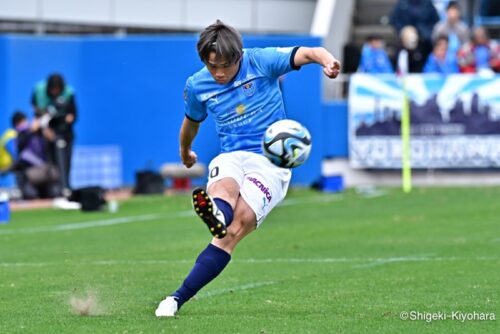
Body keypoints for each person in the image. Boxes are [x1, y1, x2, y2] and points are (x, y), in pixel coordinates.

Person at [155, 20, 340, 317]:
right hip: (232, 155)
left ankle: (176, 298)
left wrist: (327, 61)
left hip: (271, 163)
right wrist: (184, 150)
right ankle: (216, 213)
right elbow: (191, 121)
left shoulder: (260, 61)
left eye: (225, 65)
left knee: (232, 230)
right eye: (212, 65)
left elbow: (307, 52)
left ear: (239, 55)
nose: (219, 73)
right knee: (224, 188)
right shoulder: (197, 85)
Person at [31, 73, 77, 194]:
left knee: (65, 161)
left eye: (57, 89)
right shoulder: (40, 91)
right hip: (48, 133)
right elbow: (37, 110)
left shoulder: (68, 93)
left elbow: (74, 114)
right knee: (51, 163)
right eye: (53, 89)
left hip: (65, 132)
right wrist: (44, 128)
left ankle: (65, 187)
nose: (55, 91)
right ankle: (54, 189)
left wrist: (69, 118)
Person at [11, 111, 60, 199]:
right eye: (22, 122)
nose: (25, 123)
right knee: (31, 195)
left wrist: (46, 131)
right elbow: (20, 145)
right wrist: (31, 130)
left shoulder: (39, 132)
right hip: (30, 172)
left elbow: (53, 142)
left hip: (45, 170)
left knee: (54, 190)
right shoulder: (20, 134)